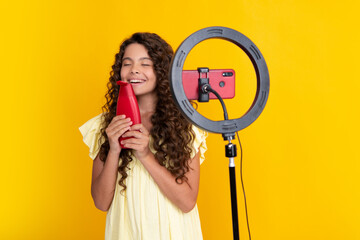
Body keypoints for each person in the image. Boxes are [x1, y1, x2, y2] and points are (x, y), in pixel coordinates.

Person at [79, 32, 207, 240]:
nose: (134, 70)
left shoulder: (184, 126)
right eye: (127, 63)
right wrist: (114, 149)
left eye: (145, 63)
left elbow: (187, 202)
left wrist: (146, 154)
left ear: (162, 71)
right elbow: (101, 203)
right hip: (125, 232)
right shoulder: (106, 125)